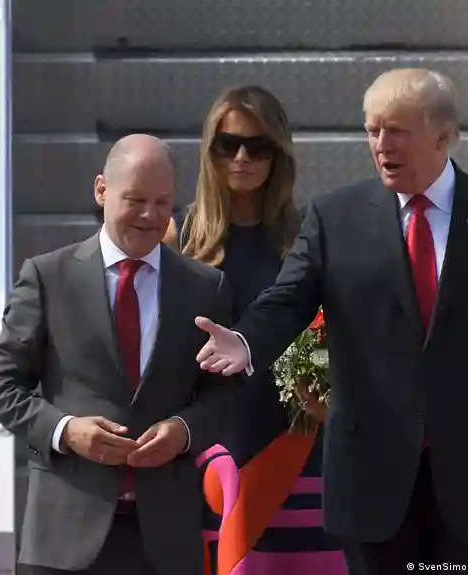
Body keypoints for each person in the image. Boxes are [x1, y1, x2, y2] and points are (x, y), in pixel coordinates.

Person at [193, 69, 468, 574]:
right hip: (371, 488)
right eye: (373, 130)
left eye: (398, 131)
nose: (382, 145)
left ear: (443, 136)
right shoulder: (336, 217)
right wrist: (246, 341)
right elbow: (287, 301)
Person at [0, 134, 242, 575]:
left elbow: (226, 394)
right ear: (101, 190)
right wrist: (65, 430)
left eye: (162, 203)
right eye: (136, 200)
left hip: (165, 539)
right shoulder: (48, 276)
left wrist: (184, 430)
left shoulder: (204, 287)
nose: (150, 216)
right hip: (64, 537)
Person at [164, 85, 348, 574]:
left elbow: (326, 336)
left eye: (258, 146)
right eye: (229, 144)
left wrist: (315, 405)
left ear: (278, 154)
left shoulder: (308, 235)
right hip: (207, 448)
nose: (242, 158)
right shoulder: (179, 235)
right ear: (210, 150)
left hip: (296, 442)